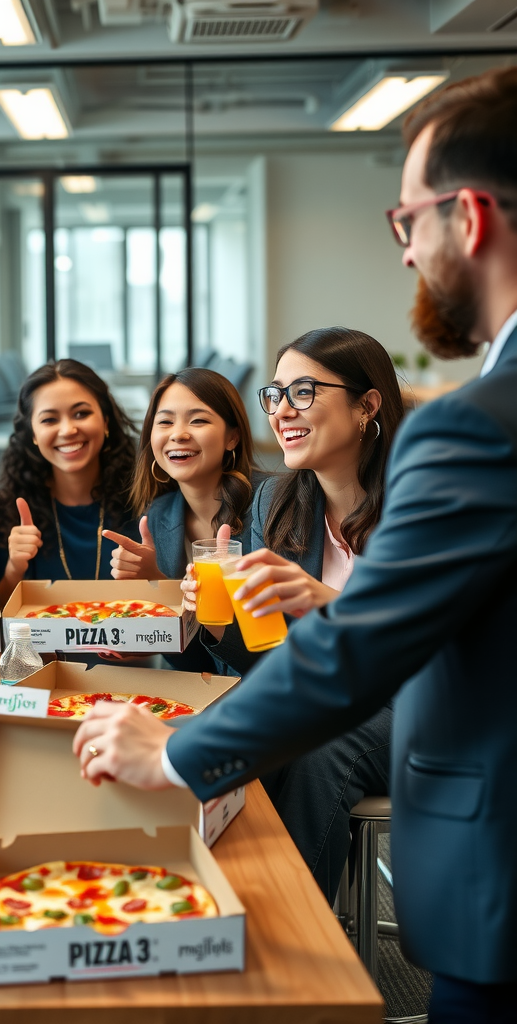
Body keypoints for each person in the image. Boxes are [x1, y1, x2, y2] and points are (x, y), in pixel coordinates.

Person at [72, 67, 517, 1021]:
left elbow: (358, 658)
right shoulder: (289, 500)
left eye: (409, 224)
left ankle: (262, 956)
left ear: (469, 218)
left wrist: (179, 754)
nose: (406, 255)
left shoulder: (474, 427)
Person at [184, 328, 404, 901]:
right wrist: (217, 622)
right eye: (275, 394)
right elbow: (266, 655)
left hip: (415, 706)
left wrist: (327, 603)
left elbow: (434, 645)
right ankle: (213, 902)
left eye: (303, 392)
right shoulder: (275, 501)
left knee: (319, 747)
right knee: (215, 726)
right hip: (318, 697)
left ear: (367, 406)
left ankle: (289, 919)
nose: (282, 411)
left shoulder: (417, 502)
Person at [106, 367, 262, 673]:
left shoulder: (270, 505)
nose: (178, 433)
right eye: (164, 421)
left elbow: (270, 652)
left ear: (232, 436)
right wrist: (157, 585)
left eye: (198, 420)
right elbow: (197, 664)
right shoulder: (159, 516)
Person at [0, 359, 139, 602]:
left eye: (81, 414)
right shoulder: (7, 507)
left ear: (105, 421)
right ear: (33, 434)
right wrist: (14, 568)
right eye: (49, 420)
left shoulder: (144, 499)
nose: (68, 430)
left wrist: (153, 573)